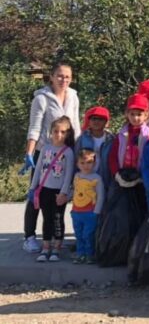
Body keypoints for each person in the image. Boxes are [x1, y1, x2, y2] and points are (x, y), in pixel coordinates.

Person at [20, 61, 81, 254]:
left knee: (60, 194)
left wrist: (78, 151)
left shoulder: (73, 96)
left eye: (67, 76)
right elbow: (34, 128)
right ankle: (29, 237)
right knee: (37, 194)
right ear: (52, 77)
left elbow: (76, 125)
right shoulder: (41, 98)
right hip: (45, 153)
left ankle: (55, 238)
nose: (64, 80)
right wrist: (30, 153)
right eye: (60, 76)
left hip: (65, 153)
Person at [28, 116, 75, 262]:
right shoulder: (45, 148)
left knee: (57, 219)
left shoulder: (68, 152)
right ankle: (46, 247)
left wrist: (64, 192)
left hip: (58, 192)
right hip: (44, 190)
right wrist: (32, 188)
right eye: (55, 131)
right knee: (46, 219)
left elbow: (68, 174)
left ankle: (56, 248)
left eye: (63, 132)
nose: (58, 134)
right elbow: (38, 170)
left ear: (67, 134)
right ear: (51, 132)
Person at [71, 149, 105, 264]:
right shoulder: (77, 176)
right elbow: (75, 191)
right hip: (76, 212)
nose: (86, 166)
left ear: (94, 163)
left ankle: (90, 254)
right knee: (78, 234)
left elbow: (100, 196)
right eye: (82, 163)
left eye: (89, 162)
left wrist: (96, 212)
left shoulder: (97, 178)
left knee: (88, 235)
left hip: (90, 212)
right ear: (77, 164)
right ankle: (80, 254)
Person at [74, 106, 114, 190]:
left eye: (100, 119)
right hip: (84, 180)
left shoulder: (111, 140)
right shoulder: (82, 139)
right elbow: (75, 159)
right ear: (89, 121)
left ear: (106, 122)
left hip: (105, 180)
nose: (96, 121)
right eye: (94, 119)